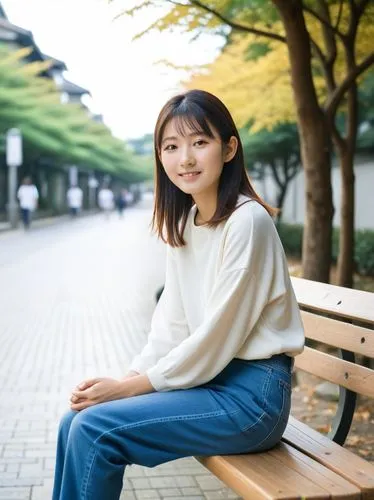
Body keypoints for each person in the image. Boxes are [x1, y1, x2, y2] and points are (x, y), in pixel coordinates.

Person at [52, 90, 305, 500]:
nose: (185, 158)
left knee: (96, 431)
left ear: (228, 149)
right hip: (210, 382)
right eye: (171, 146)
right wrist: (130, 378)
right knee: (74, 421)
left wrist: (131, 390)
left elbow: (217, 336)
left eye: (199, 142)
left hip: (253, 399)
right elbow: (171, 323)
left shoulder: (248, 222)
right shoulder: (187, 223)